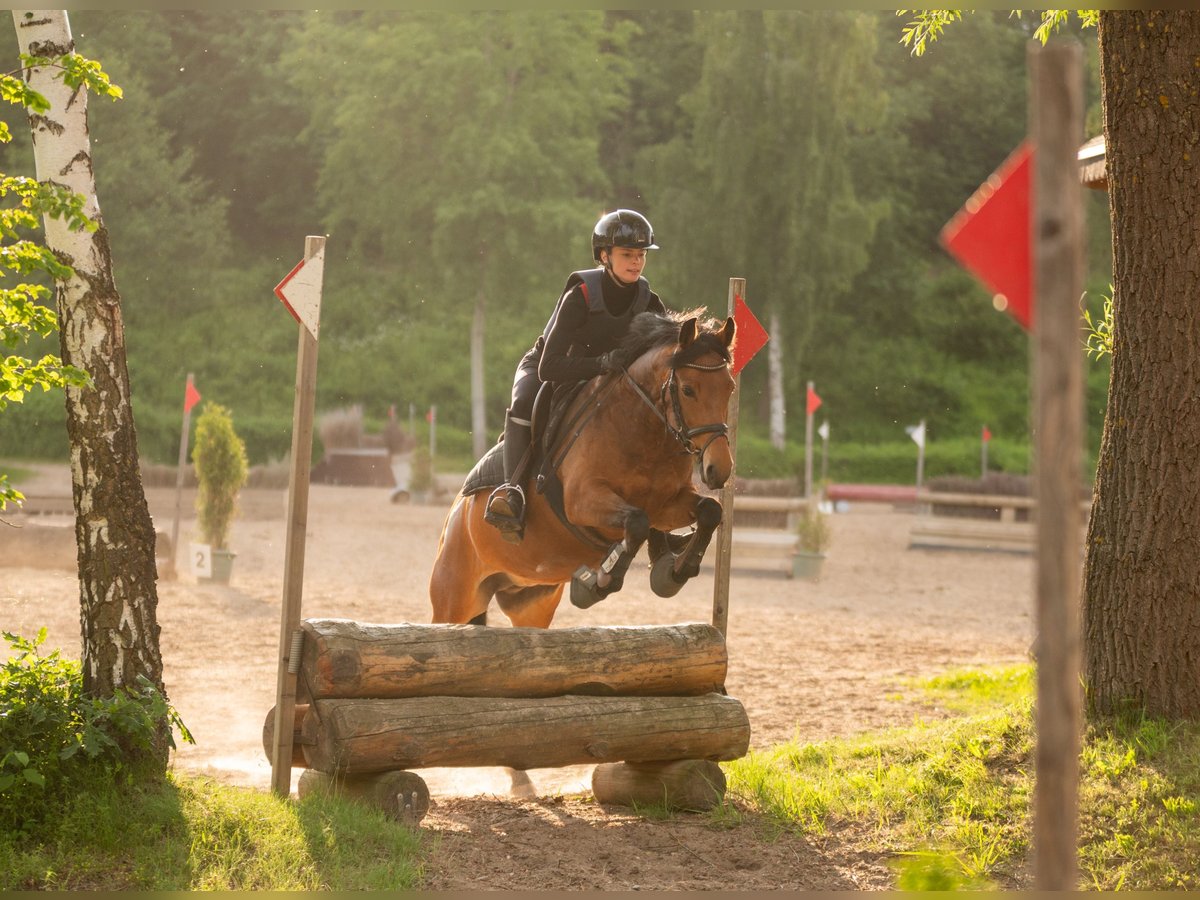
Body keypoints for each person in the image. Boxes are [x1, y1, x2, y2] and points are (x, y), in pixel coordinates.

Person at [484, 209, 667, 542]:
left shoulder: (649, 301)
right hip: (549, 368)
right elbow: (549, 366)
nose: (636, 262)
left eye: (641, 255)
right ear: (604, 256)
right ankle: (512, 493)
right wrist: (601, 363)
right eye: (627, 254)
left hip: (605, 379)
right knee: (525, 400)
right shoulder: (580, 295)